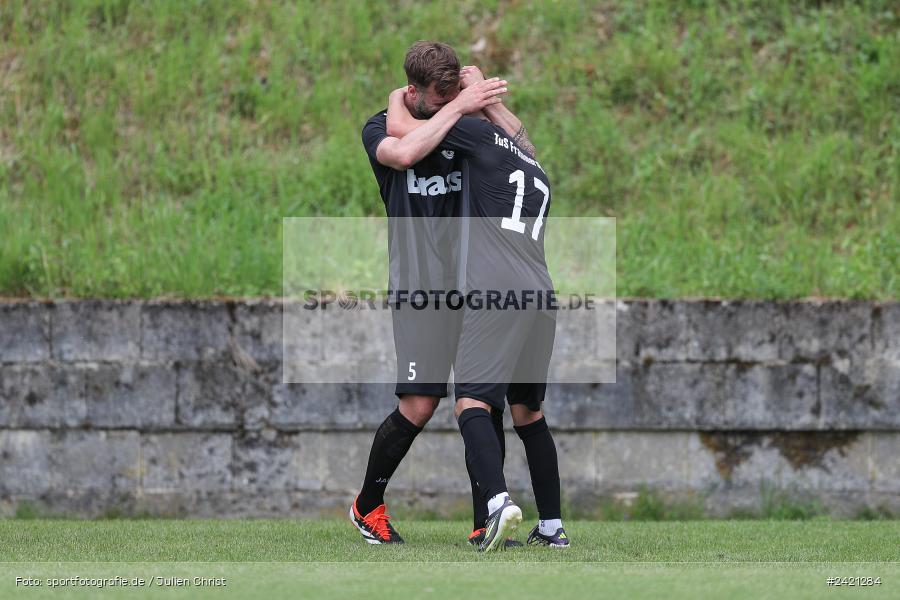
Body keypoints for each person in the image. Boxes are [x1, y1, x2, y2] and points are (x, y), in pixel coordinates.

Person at [351, 41, 530, 546]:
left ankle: (485, 521)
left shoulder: (462, 122)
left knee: (482, 401)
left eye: (454, 95)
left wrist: (484, 102)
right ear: (413, 92)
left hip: (476, 285)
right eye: (440, 97)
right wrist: (460, 106)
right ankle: (367, 506)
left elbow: (524, 154)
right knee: (419, 405)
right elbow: (403, 152)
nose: (450, 103)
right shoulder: (379, 127)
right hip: (419, 288)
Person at [385, 74, 569, 551]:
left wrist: (402, 98)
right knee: (529, 413)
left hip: (497, 291)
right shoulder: (531, 162)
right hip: (540, 293)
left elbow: (402, 134)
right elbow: (519, 133)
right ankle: (552, 527)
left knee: (470, 403)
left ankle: (497, 505)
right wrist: (485, 98)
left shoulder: (475, 134)